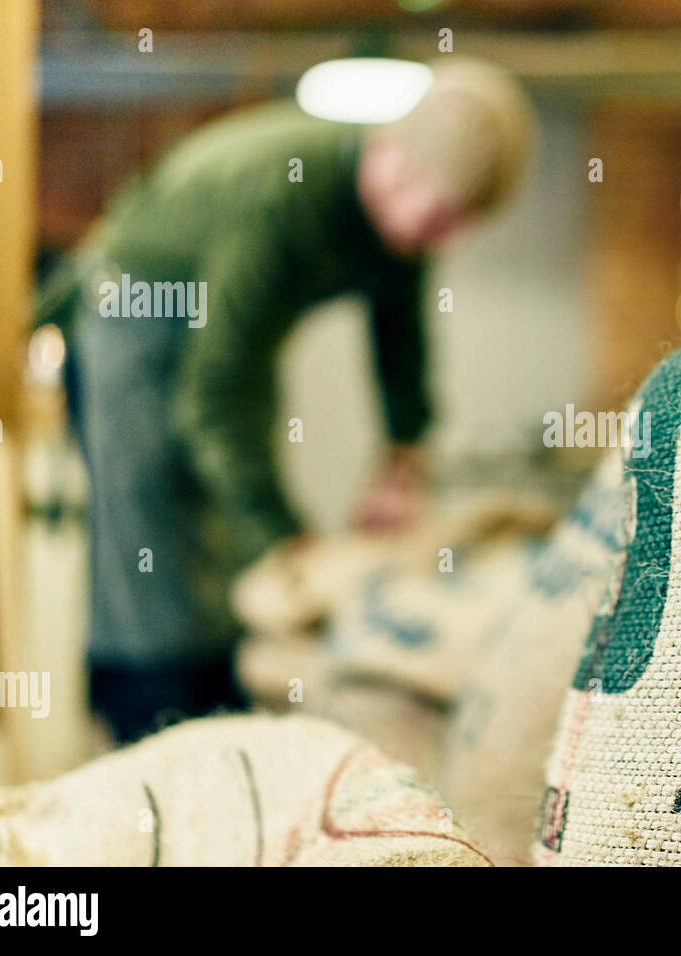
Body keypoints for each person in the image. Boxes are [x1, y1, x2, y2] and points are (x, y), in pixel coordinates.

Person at [35, 58, 533, 742]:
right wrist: (289, 548)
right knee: (152, 526)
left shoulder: (402, 229)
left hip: (226, 333)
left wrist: (403, 457)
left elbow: (401, 342)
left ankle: (224, 699)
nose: (447, 240)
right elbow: (213, 395)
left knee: (233, 523)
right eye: (444, 214)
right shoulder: (291, 195)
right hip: (139, 311)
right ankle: (151, 718)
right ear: (393, 160)